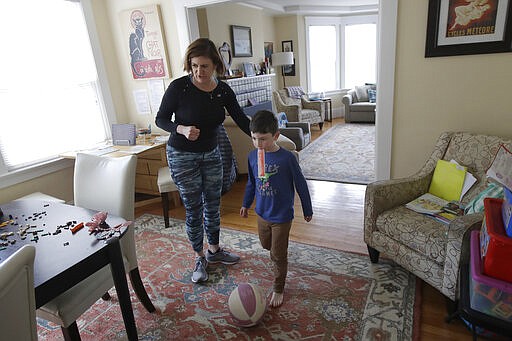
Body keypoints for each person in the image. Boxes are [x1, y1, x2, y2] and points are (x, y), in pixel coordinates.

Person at [155, 38, 251, 283]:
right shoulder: (179, 88)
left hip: (211, 153)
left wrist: (266, 136)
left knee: (213, 203)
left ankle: (214, 250)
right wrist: (181, 129)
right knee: (194, 207)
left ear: (216, 65)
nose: (199, 72)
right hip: (181, 156)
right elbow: (161, 119)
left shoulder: (222, 91)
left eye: (204, 66)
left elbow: (241, 119)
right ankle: (199, 255)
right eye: (194, 65)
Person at [240, 110, 313, 307]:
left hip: (282, 216)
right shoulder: (253, 156)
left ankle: (279, 287)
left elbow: (301, 184)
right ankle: (277, 253)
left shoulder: (287, 158)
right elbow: (251, 184)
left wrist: (307, 208)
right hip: (262, 213)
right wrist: (246, 204)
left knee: (278, 255)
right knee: (267, 246)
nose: (258, 144)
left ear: (276, 135)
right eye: (254, 138)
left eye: (263, 139)